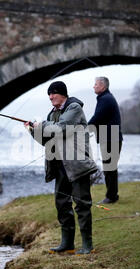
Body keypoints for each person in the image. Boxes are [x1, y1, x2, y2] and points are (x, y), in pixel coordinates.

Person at [25, 81, 98, 255]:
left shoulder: (74, 108)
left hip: (77, 165)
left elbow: (61, 129)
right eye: (49, 94)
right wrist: (33, 130)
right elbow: (46, 140)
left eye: (54, 94)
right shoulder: (52, 114)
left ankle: (87, 245)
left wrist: (41, 125)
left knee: (82, 204)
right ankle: (67, 244)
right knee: (61, 205)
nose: (50, 97)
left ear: (63, 94)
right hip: (59, 167)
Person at [88, 77, 123, 204]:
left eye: (96, 84)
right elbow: (100, 119)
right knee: (110, 168)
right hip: (110, 137)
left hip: (110, 138)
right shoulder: (105, 98)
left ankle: (111, 196)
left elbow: (97, 118)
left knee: (109, 168)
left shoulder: (105, 99)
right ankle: (112, 195)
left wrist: (85, 130)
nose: (94, 86)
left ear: (103, 86)